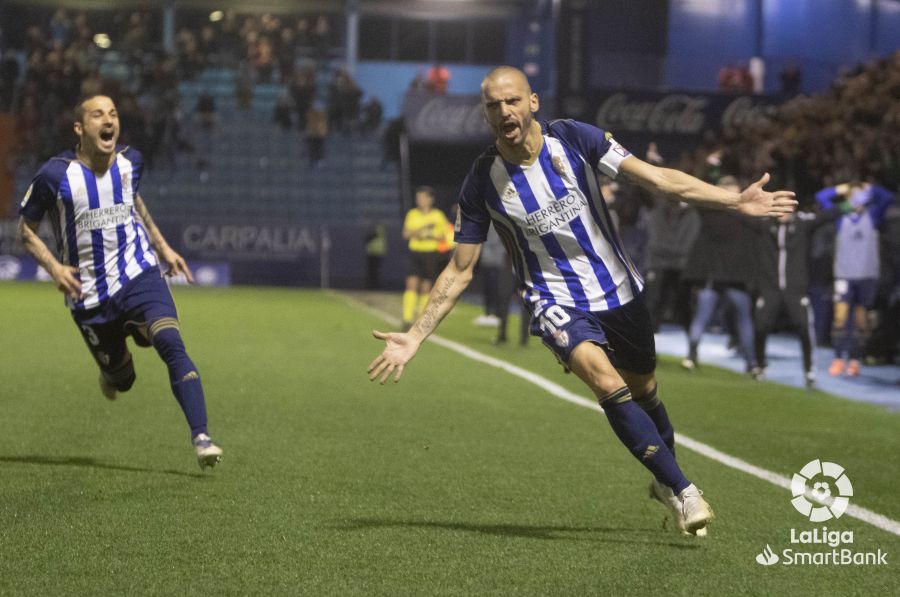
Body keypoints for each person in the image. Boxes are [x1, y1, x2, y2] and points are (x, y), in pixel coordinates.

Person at [368, 67, 797, 536]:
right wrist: (414, 335)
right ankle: (685, 489)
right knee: (604, 380)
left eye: (512, 101)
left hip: (618, 289)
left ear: (533, 102)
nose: (504, 113)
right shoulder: (481, 181)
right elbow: (460, 268)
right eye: (493, 105)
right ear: (485, 114)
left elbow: (656, 179)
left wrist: (735, 201)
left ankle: (663, 481)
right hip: (553, 299)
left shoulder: (575, 139)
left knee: (646, 390)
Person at [16, 95, 223, 469]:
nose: (108, 120)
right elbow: (25, 231)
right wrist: (55, 268)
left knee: (170, 342)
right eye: (98, 115)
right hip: (90, 296)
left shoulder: (131, 162)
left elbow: (134, 202)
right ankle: (115, 367)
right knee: (122, 380)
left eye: (113, 114)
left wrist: (163, 248)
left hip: (138, 275)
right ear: (80, 129)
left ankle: (202, 436)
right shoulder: (55, 175)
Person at [681, 177, 762, 377]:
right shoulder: (747, 215)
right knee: (744, 320)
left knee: (702, 317)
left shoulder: (710, 212)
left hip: (713, 275)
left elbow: (695, 194)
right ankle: (752, 364)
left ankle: (691, 356)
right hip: (736, 276)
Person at [751, 208, 840, 388]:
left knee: (804, 327)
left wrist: (845, 200)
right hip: (770, 287)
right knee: (760, 326)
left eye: (787, 209)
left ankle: (809, 370)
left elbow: (826, 214)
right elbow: (741, 215)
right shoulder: (765, 224)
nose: (784, 213)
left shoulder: (801, 224)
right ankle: (760, 365)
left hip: (795, 288)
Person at [816, 181, 895, 377]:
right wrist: (842, 189)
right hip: (844, 274)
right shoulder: (841, 216)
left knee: (861, 321)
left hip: (866, 276)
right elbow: (822, 197)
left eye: (861, 196)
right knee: (841, 319)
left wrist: (870, 188)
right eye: (854, 196)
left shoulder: (873, 215)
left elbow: (888, 198)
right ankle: (837, 358)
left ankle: (854, 360)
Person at [400, 186, 450, 329]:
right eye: (418, 198)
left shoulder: (438, 215)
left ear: (430, 199)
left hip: (431, 254)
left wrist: (427, 234)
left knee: (426, 287)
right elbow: (406, 234)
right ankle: (407, 318)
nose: (420, 200)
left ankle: (421, 320)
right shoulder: (412, 214)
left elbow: (443, 235)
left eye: (422, 198)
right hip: (416, 253)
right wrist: (425, 228)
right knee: (411, 284)